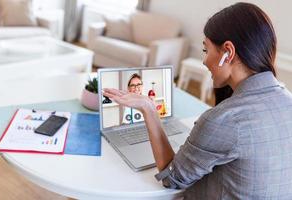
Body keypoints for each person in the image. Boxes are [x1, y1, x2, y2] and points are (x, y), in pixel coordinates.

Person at [104, 3, 292, 199]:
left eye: (205, 50)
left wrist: (149, 109)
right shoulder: (288, 99)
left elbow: (173, 179)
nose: (204, 60)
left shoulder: (225, 119)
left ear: (228, 51)